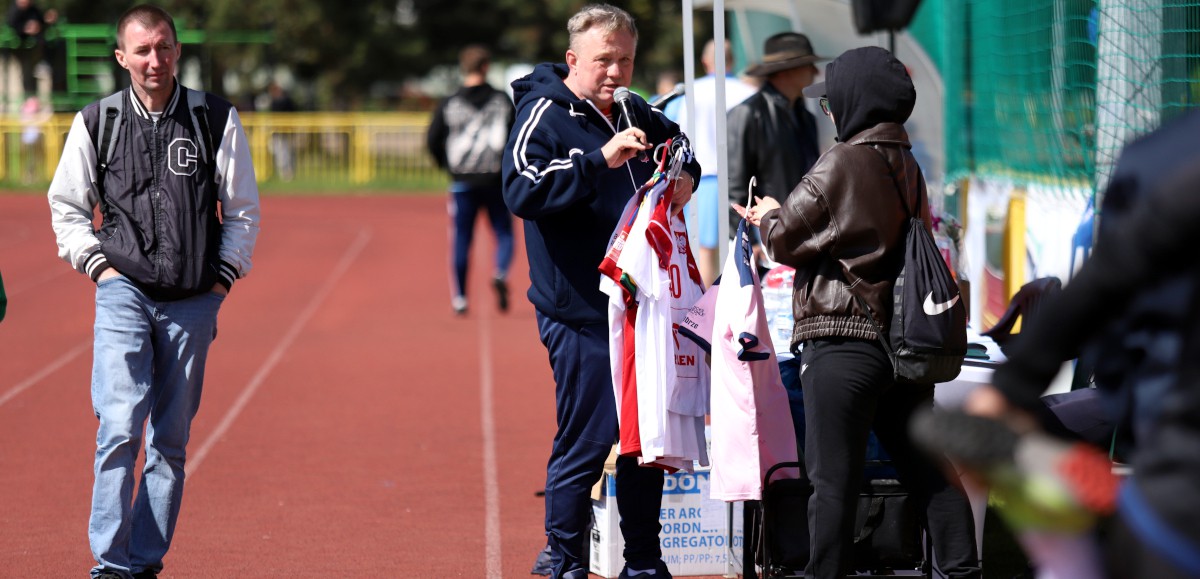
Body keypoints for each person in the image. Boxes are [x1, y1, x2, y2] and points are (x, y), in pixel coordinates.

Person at [736, 46, 981, 578]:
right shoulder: (907, 164)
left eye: (831, 104)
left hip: (843, 336)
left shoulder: (843, 160)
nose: (829, 113)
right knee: (927, 468)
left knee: (832, 480)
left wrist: (770, 213)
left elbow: (783, 240)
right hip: (901, 341)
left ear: (853, 102)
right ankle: (963, 570)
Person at [937, 110, 1200, 579]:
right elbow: (1110, 278)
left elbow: (1112, 277)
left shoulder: (1165, 160)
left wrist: (1011, 388)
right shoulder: (1167, 164)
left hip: (1171, 476)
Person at [46, 5, 260, 578]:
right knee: (118, 427)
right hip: (123, 291)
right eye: (141, 50)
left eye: (163, 47)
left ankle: (144, 562)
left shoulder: (215, 118)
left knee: (169, 439)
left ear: (177, 50)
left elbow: (241, 211)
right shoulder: (98, 121)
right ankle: (110, 565)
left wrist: (221, 280)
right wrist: (100, 267)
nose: (154, 59)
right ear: (122, 57)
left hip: (193, 299)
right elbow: (66, 208)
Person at [501, 4, 699, 578]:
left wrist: (686, 175)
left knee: (642, 444)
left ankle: (642, 559)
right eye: (603, 60)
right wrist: (598, 161)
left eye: (626, 59)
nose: (615, 71)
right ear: (573, 60)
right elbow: (519, 189)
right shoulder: (543, 112)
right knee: (588, 441)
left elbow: (681, 146)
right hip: (580, 311)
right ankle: (561, 559)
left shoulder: (637, 108)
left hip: (642, 311)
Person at [427, 44, 516, 316]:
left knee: (461, 239)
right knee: (503, 233)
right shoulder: (502, 99)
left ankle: (461, 298)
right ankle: (500, 270)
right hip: (495, 179)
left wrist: (447, 165)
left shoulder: (449, 102)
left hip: (462, 180)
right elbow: (515, 138)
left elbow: (433, 138)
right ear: (486, 67)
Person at [726, 32, 823, 272]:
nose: (816, 72)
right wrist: (744, 238)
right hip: (765, 240)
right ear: (786, 71)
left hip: (803, 236)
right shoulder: (747, 114)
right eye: (808, 65)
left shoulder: (806, 118)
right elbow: (735, 185)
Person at [663, 39, 757, 285]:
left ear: (705, 61)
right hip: (744, 181)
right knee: (749, 248)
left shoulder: (686, 93)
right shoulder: (749, 92)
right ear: (732, 60)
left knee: (703, 251)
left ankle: (706, 312)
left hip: (700, 180)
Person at [7, 0, 44, 97]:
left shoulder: (34, 9)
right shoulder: (13, 11)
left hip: (33, 47)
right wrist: (25, 29)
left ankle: (32, 100)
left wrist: (37, 26)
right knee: (26, 74)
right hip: (18, 49)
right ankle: (29, 99)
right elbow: (11, 26)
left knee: (31, 74)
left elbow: (41, 21)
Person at [266, 81, 297, 181]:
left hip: (285, 133)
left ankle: (287, 173)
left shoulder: (286, 101)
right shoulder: (273, 101)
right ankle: (281, 172)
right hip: (276, 133)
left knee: (285, 154)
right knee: (278, 153)